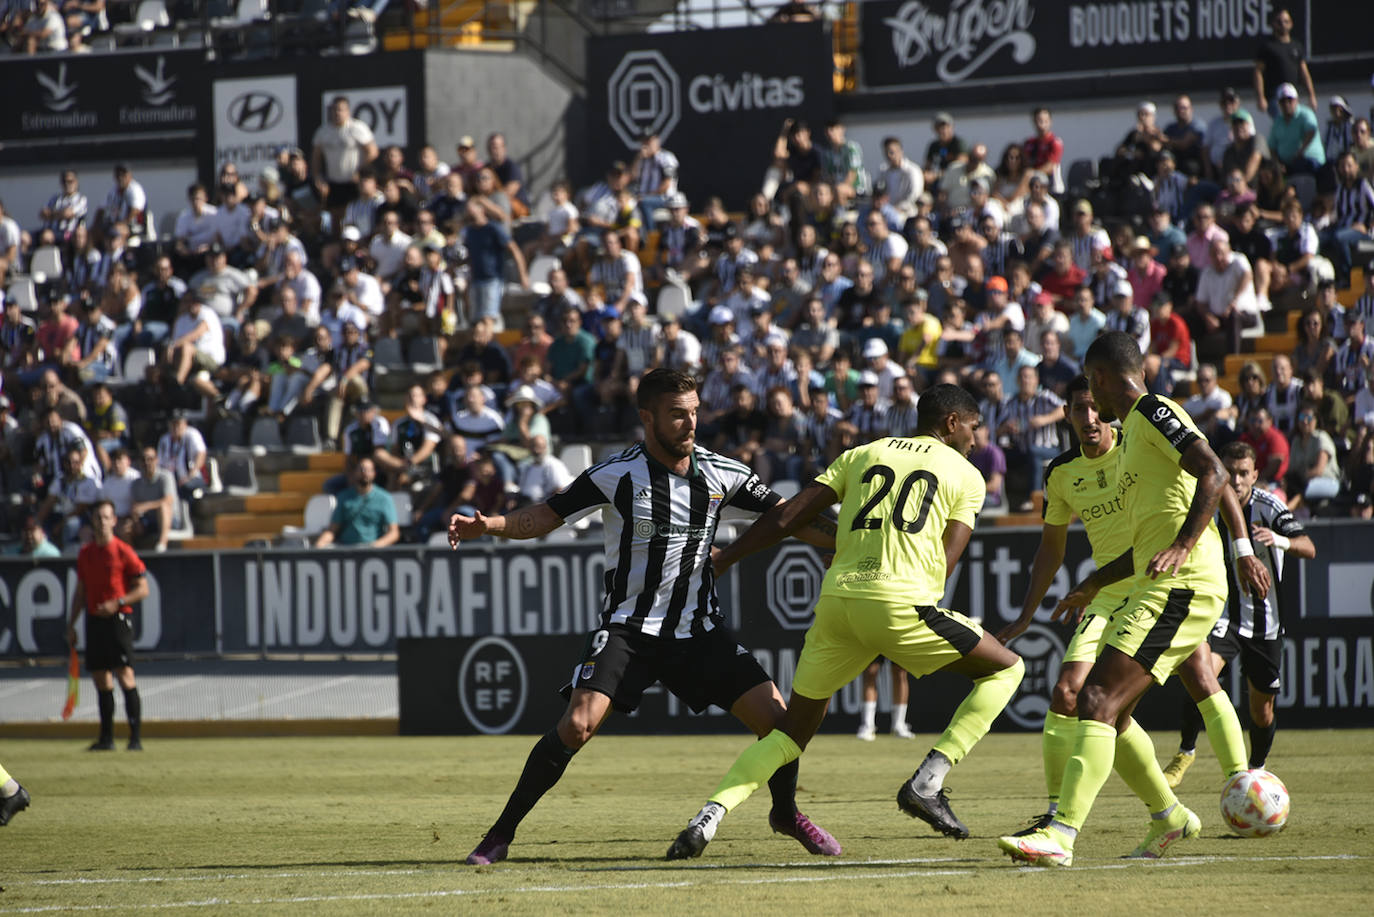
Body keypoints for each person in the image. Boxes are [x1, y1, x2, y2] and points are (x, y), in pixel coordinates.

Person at [454, 369, 842, 866]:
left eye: (695, 411)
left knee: (781, 725)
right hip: (628, 630)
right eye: (678, 414)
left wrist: (847, 541)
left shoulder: (722, 473)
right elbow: (545, 516)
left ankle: (785, 814)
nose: (690, 423)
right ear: (647, 417)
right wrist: (489, 525)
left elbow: (793, 519)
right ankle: (499, 835)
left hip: (698, 632)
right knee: (576, 725)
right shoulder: (615, 474)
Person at [667, 384, 1025, 858]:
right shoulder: (966, 474)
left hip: (837, 601)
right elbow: (945, 560)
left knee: (792, 732)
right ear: (952, 423)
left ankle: (708, 818)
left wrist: (728, 557)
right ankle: (929, 780)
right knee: (1007, 668)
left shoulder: (862, 453)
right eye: (975, 428)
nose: (977, 440)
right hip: (901, 601)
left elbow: (789, 515)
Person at [998, 332, 1268, 867]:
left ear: (1098, 379)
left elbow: (1214, 472)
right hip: (1156, 581)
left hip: (1183, 583)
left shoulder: (1151, 412)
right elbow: (1150, 538)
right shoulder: (1136, 432)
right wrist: (1100, 581)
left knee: (1095, 699)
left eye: (1088, 387)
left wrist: (1194, 545)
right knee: (1113, 716)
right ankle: (1168, 817)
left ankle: (1062, 834)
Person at [1164, 441, 1315, 788]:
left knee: (1261, 711)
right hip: (1223, 616)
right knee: (1199, 675)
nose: (1236, 479)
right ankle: (1185, 751)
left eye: (1244, 473)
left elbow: (1309, 547)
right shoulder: (1208, 504)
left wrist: (1279, 541)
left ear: (1255, 475)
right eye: (1230, 472)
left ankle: (1255, 771)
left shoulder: (1270, 506)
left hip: (1265, 621)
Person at [67, 500, 149, 752]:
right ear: (92, 522)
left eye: (106, 517)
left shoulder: (123, 551)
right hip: (95, 619)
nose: (102, 522)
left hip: (117, 619)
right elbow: (80, 592)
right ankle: (107, 738)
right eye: (98, 518)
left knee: (124, 674)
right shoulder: (86, 553)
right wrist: (71, 624)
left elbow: (143, 588)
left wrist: (118, 602)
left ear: (114, 520)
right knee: (101, 678)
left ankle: (135, 738)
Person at [313, 456, 399, 548]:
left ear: (374, 474)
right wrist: (319, 545)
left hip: (372, 549)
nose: (364, 473)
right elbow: (332, 530)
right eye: (361, 469)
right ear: (355, 473)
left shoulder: (384, 498)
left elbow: (394, 532)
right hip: (346, 549)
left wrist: (375, 546)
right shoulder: (344, 497)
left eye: (368, 470)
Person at [855, 659, 916, 741]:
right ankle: (867, 726)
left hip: (895, 645)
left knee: (900, 672)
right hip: (876, 645)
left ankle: (899, 725)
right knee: (870, 671)